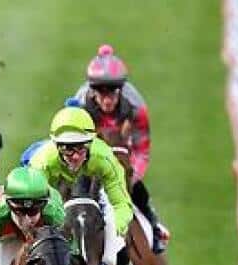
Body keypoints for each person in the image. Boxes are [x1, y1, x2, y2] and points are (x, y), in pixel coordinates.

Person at [26, 107, 149, 265]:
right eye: (68, 150)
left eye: (81, 149)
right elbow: (33, 209)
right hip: (54, 193)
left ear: (91, 144)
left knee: (111, 253)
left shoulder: (104, 158)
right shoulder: (42, 162)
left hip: (96, 192)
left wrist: (115, 230)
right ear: (57, 147)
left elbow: (122, 204)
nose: (75, 156)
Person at [72, 44, 168, 252]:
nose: (107, 99)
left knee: (139, 192)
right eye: (100, 92)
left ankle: (153, 225)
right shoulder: (79, 106)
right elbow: (70, 147)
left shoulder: (136, 108)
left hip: (122, 158)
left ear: (121, 89)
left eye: (112, 92)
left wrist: (131, 177)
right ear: (92, 90)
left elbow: (142, 150)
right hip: (89, 159)